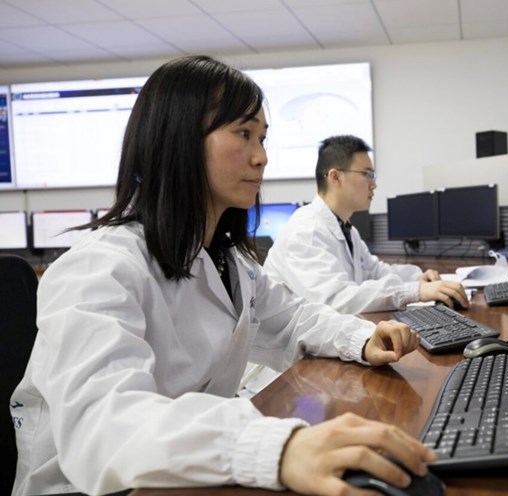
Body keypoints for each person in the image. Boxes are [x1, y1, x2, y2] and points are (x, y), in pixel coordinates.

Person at [10, 55, 434, 496]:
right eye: (244, 133)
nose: (262, 157)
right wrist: (275, 447)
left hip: (187, 470)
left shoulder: (229, 261)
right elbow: (104, 426)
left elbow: (292, 318)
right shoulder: (97, 268)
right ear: (178, 139)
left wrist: (361, 338)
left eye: (263, 138)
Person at [263, 135, 469, 314]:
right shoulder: (306, 230)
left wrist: (418, 278)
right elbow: (335, 300)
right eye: (367, 174)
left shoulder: (347, 229)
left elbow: (375, 271)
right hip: (288, 347)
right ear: (335, 177)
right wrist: (414, 291)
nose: (374, 184)